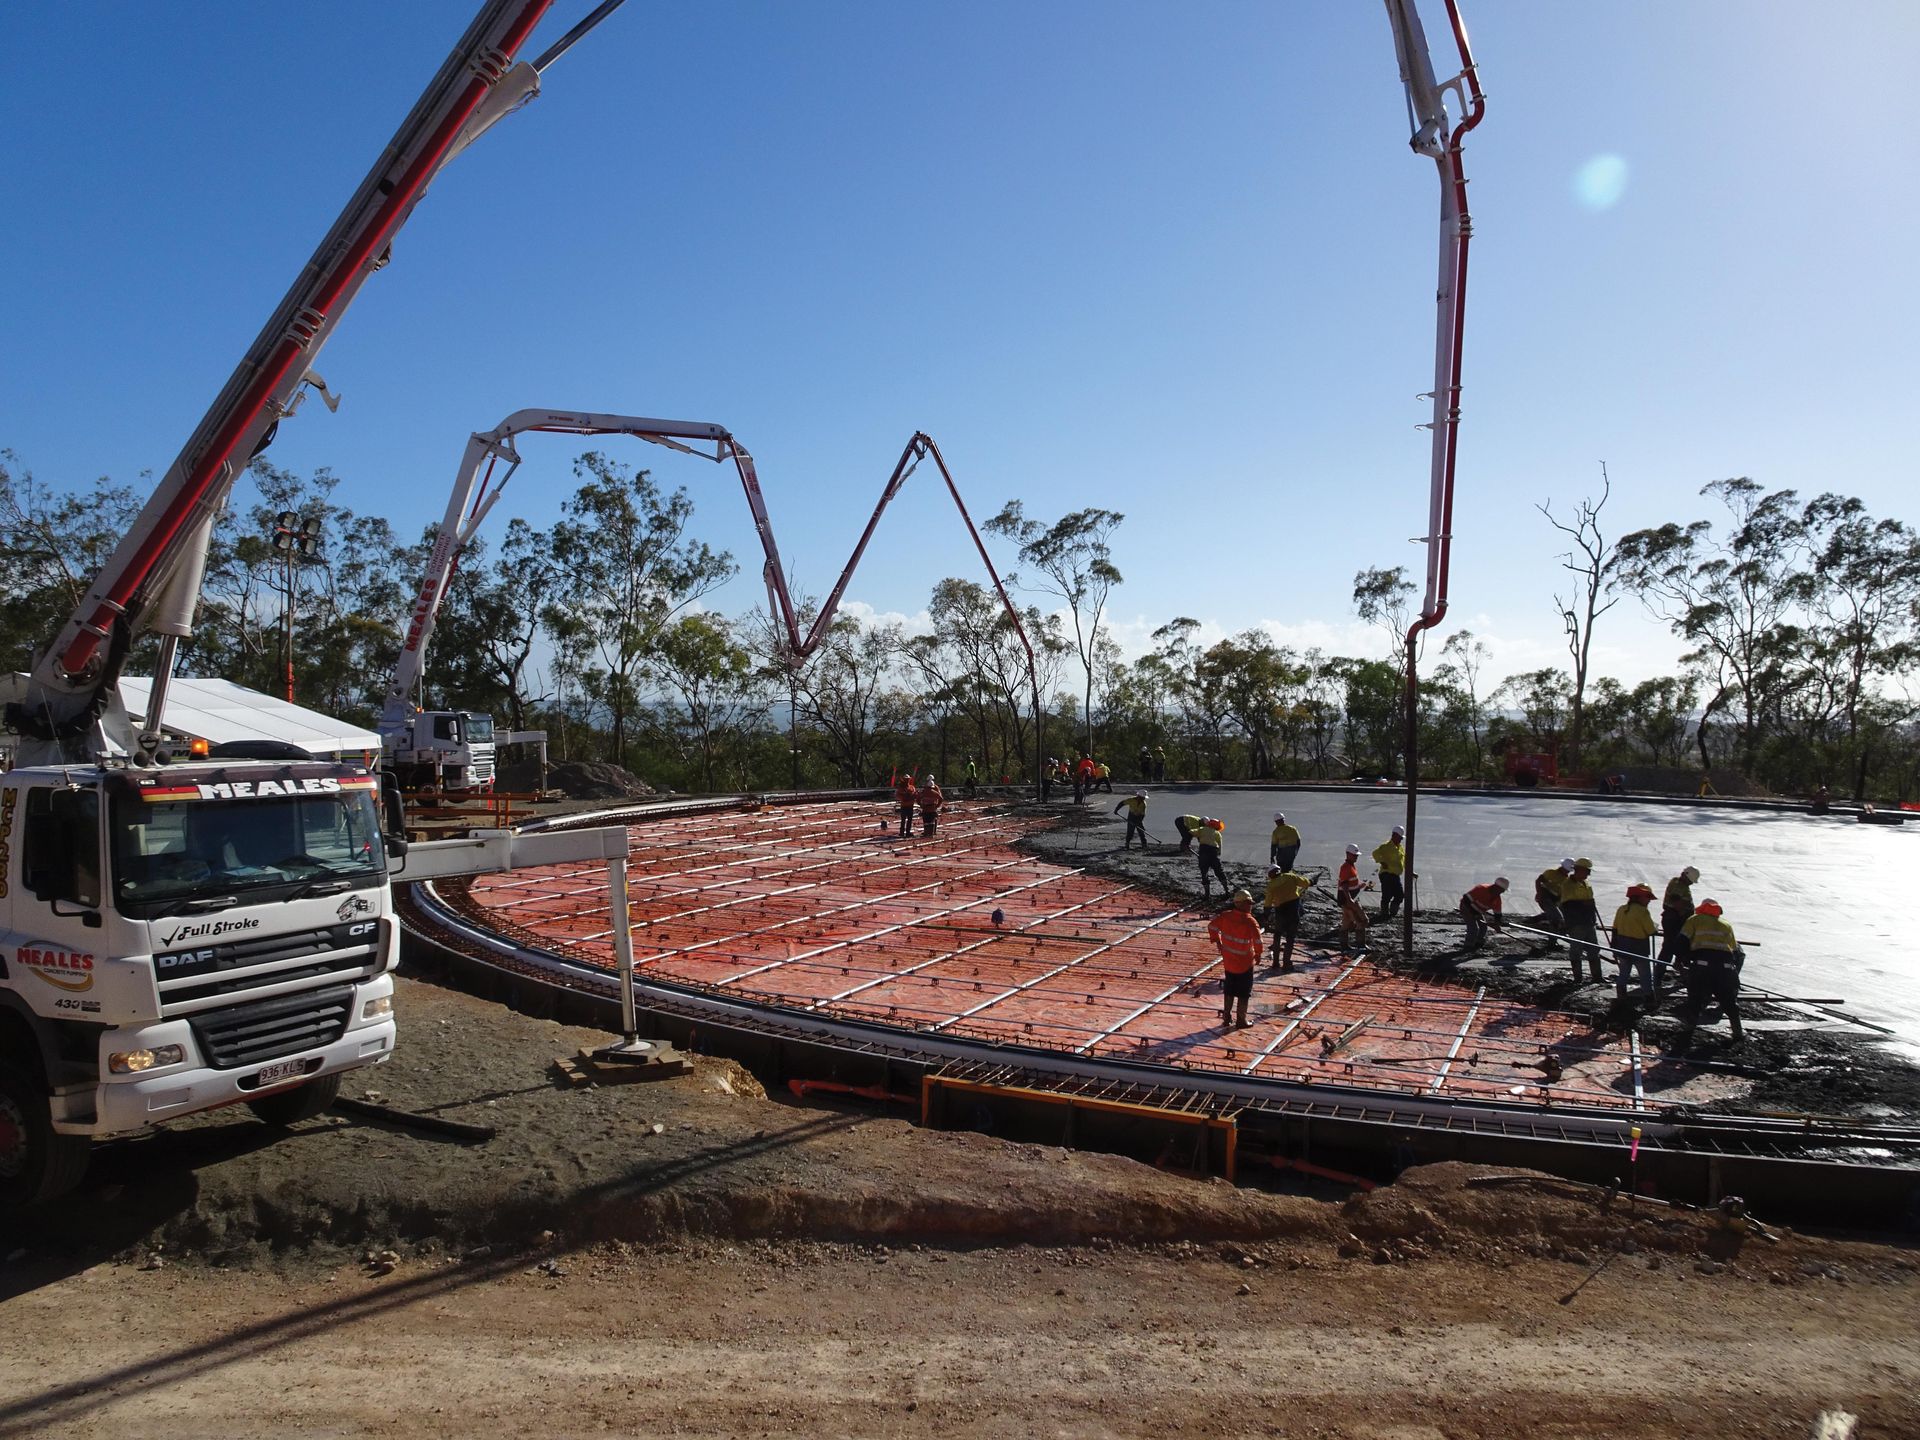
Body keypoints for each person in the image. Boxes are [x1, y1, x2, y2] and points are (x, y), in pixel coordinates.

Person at [1678, 898, 1745, 1041]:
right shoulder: (1726, 925)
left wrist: (1680, 959)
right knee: (1728, 1001)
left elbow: (1682, 940)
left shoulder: (1694, 920)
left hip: (1702, 966)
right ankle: (1737, 1032)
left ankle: (1688, 1030)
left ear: (1702, 908)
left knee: (1695, 998)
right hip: (1725, 968)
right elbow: (1734, 950)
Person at [1207, 889, 1262, 1028]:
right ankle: (1241, 1020)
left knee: (1229, 989)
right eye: (1248, 903)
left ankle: (1226, 1018)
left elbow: (1212, 926)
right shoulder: (1250, 921)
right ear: (1241, 904)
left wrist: (1217, 940)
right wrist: (1258, 954)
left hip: (1229, 963)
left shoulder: (1225, 916)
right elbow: (1258, 941)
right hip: (1245, 964)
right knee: (1244, 993)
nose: (1251, 906)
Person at [1263, 865, 1315, 971]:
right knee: (1290, 937)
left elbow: (1268, 902)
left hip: (1280, 911)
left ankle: (1275, 962)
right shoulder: (1290, 877)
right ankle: (1286, 963)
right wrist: (1311, 881)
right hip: (1293, 909)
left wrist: (1266, 915)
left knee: (1277, 935)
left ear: (1270, 875)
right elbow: (1305, 883)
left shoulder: (1271, 885)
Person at [1611, 883, 1658, 998]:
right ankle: (1649, 997)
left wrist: (1614, 947)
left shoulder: (1622, 909)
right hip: (1639, 948)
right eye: (1647, 898)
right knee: (1645, 974)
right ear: (1639, 897)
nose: (1649, 901)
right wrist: (1655, 928)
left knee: (1624, 972)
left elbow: (1615, 929)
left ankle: (1621, 994)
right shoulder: (1642, 912)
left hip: (1622, 946)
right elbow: (1651, 930)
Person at [1559, 858, 1602, 982]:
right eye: (1587, 871)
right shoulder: (1567, 884)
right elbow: (1567, 905)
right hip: (1576, 923)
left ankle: (1597, 977)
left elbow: (1590, 903)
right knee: (1576, 949)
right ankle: (1578, 978)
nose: (1588, 874)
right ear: (1579, 870)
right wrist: (1584, 904)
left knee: (1594, 949)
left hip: (1589, 922)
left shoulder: (1586, 884)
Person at [1656, 865, 1700, 982]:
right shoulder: (1678, 886)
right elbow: (1676, 903)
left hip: (1675, 919)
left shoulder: (1678, 883)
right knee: (1670, 948)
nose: (1691, 883)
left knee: (1680, 947)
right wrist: (1684, 918)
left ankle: (1680, 970)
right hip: (1675, 920)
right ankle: (1658, 975)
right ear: (1687, 876)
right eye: (1691, 881)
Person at [1336, 843, 1371, 955]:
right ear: (1348, 854)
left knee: (1346, 922)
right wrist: (1350, 899)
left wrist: (1360, 885)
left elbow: (1351, 883)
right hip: (1349, 901)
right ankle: (1360, 945)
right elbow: (1345, 885)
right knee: (1362, 921)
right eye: (1354, 855)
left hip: (1349, 900)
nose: (1356, 857)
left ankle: (1344, 946)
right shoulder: (1346, 867)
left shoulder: (1351, 866)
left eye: (1357, 855)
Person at [1460, 876, 1509, 950]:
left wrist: (1497, 924)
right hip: (1466, 907)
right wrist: (1473, 913)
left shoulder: (1497, 900)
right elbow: (1466, 899)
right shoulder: (1481, 889)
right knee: (1473, 928)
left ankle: (1478, 943)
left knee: (1483, 927)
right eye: (1502, 890)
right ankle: (1468, 946)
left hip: (1478, 911)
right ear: (1496, 887)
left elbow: (1497, 914)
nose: (1503, 892)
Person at [1371, 826, 1407, 922]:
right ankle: (1384, 914)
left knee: (1399, 895)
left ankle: (1392, 912)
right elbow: (1375, 853)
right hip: (1386, 874)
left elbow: (1404, 861)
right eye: (1399, 837)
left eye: (1401, 838)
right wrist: (1382, 862)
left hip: (1395, 875)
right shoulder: (1386, 846)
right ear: (1394, 835)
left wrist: (1410, 872)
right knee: (1387, 894)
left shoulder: (1401, 849)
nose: (1400, 840)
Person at [1534, 859, 1573, 932]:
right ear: (1562, 867)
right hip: (1545, 896)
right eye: (1567, 870)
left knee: (1561, 912)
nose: (1568, 872)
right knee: (1556, 917)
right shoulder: (1551, 873)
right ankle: (1554, 932)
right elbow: (1538, 880)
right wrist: (1539, 893)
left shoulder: (1567, 879)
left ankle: (1541, 918)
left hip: (1556, 899)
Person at [1196, 817, 1228, 897]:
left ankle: (1207, 894)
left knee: (1204, 873)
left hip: (1203, 852)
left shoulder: (1202, 829)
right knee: (1219, 872)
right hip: (1213, 853)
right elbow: (1219, 846)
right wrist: (1218, 853)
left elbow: (1192, 832)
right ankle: (1226, 890)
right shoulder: (1217, 833)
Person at [893, 772, 917, 837]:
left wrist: (912, 797)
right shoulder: (900, 788)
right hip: (904, 806)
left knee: (909, 820)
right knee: (903, 820)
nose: (907, 780)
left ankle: (908, 832)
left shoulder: (912, 787)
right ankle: (902, 832)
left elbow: (915, 795)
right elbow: (897, 795)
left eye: (908, 779)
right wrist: (904, 798)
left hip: (910, 806)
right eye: (906, 779)